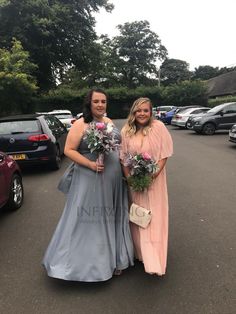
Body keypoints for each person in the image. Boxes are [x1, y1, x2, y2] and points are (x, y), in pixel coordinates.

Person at [42, 88, 134, 282]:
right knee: (87, 219)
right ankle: (82, 265)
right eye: (96, 102)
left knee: (112, 216)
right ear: (89, 104)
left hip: (114, 179)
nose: (100, 105)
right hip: (90, 175)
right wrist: (91, 164)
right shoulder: (81, 124)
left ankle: (114, 258)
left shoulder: (109, 123)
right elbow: (68, 150)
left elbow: (119, 148)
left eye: (103, 101)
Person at [120, 97, 173, 276]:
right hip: (135, 183)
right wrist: (130, 180)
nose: (142, 114)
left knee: (155, 218)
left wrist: (152, 176)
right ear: (133, 113)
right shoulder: (126, 130)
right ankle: (141, 253)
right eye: (138, 111)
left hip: (154, 182)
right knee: (138, 217)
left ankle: (155, 259)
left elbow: (164, 154)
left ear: (151, 112)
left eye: (145, 110)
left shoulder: (158, 127)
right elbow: (123, 158)